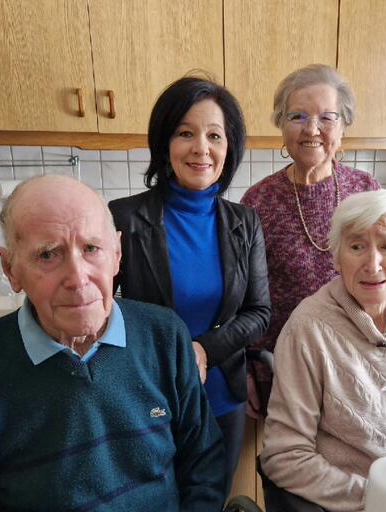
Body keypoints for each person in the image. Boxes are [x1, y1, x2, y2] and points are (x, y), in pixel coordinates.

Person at [0, 175, 225, 511]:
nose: (77, 278)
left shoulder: (165, 335)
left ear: (117, 253)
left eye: (91, 248)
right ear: (10, 269)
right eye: (48, 255)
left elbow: (203, 463)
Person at [108, 76, 271, 497]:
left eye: (215, 135)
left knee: (209, 500)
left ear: (229, 146)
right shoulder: (124, 219)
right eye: (186, 133)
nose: (202, 148)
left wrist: (202, 350)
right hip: (149, 399)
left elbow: (259, 312)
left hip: (222, 398)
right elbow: (103, 311)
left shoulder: (244, 222)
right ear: (165, 143)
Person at [260, 189, 386, 512]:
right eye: (357, 246)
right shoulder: (309, 329)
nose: (372, 264)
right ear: (336, 255)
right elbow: (284, 456)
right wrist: (376, 498)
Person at [241, 64, 380, 414]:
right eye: (298, 116)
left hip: (356, 365)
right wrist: (245, 367)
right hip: (283, 368)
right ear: (281, 126)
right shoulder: (258, 202)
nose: (312, 129)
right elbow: (242, 298)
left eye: (327, 117)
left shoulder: (366, 191)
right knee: (290, 464)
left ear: (343, 126)